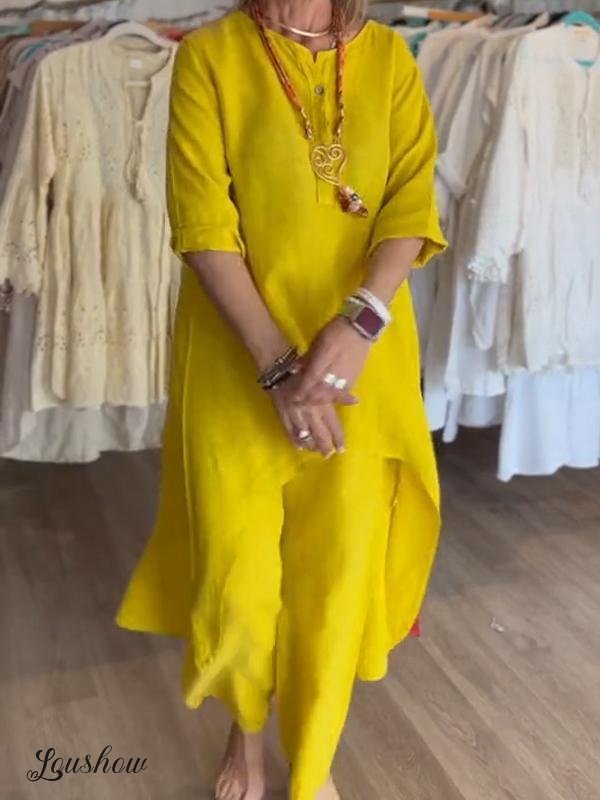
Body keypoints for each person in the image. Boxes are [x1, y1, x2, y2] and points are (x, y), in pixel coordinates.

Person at [115, 0, 447, 797]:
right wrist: (277, 369)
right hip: (238, 359)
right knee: (236, 572)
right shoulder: (211, 56)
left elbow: (410, 206)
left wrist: (358, 325)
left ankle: (314, 756)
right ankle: (247, 730)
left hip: (360, 364)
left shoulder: (391, 60)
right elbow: (203, 226)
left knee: (335, 573)